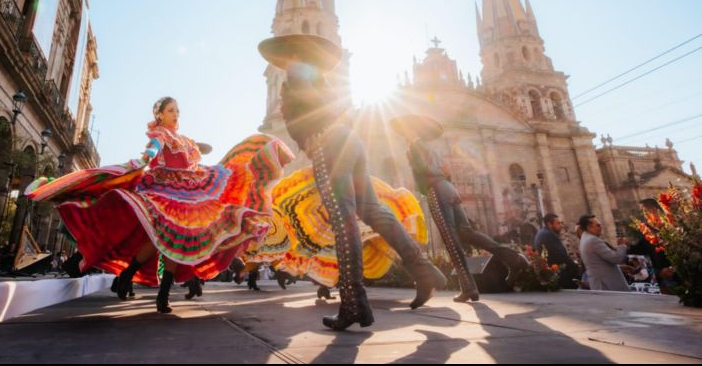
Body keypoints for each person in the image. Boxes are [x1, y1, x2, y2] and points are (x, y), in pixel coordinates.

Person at [26, 97, 293, 313]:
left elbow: (198, 153)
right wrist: (148, 155)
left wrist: (199, 148)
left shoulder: (185, 140)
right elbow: (154, 149)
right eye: (170, 110)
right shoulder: (161, 134)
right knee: (168, 238)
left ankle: (148, 287)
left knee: (176, 238)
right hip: (163, 189)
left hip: (191, 191)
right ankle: (139, 283)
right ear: (160, 115)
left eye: (177, 110)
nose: (176, 114)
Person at [260, 34, 446, 331]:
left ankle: (353, 303)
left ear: (290, 53)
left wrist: (314, 128)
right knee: (374, 211)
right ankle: (422, 269)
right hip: (349, 140)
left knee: (342, 217)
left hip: (327, 144)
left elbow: (310, 106)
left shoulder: (298, 70)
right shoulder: (318, 75)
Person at [393, 115, 530, 303]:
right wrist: (444, 177)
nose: (402, 135)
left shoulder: (415, 146)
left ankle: (469, 287)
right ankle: (514, 258)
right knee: (467, 233)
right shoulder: (432, 148)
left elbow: (425, 169)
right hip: (449, 189)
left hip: (436, 191)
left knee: (450, 240)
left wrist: (426, 174)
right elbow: (445, 171)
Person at [577, 215, 630, 291]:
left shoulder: (585, 239)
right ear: (589, 227)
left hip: (600, 284)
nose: (600, 228)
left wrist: (620, 267)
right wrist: (622, 245)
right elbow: (616, 258)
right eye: (598, 226)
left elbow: (598, 263)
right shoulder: (593, 240)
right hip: (606, 285)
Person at [534, 213, 580, 289]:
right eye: (558, 223)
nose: (560, 226)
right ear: (549, 224)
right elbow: (561, 255)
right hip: (559, 275)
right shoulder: (548, 235)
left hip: (551, 275)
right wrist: (575, 267)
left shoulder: (542, 233)